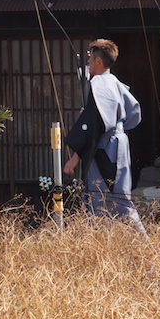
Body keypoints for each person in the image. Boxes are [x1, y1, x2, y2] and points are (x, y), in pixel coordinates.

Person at [63, 39, 147, 235]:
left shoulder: (98, 83)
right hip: (118, 143)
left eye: (90, 59)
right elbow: (134, 112)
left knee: (107, 199)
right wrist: (116, 125)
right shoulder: (115, 82)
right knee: (116, 197)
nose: (88, 63)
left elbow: (93, 125)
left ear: (98, 61)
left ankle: (142, 242)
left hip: (104, 146)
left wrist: (74, 159)